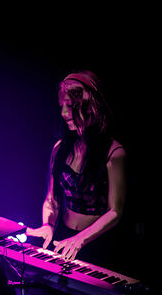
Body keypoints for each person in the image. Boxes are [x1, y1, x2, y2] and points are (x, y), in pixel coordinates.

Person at [25, 70, 126, 267]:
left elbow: (115, 211)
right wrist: (48, 225)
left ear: (89, 107)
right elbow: (52, 200)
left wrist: (80, 239)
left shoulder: (114, 153)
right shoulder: (60, 148)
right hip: (64, 238)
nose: (64, 113)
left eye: (70, 106)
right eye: (61, 106)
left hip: (97, 243)